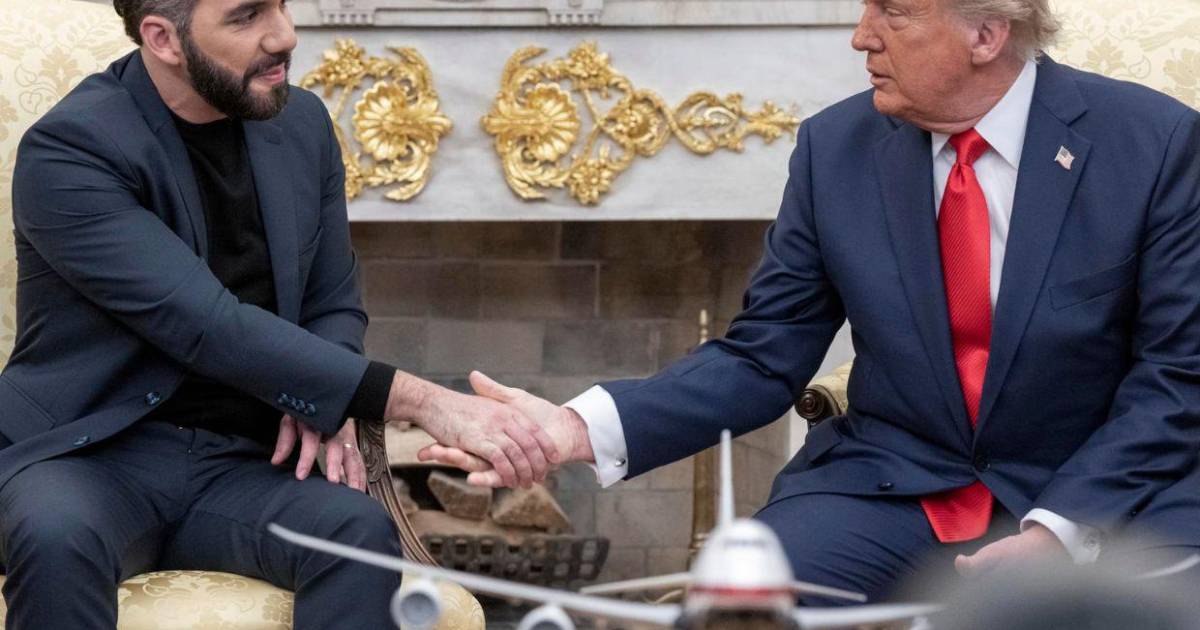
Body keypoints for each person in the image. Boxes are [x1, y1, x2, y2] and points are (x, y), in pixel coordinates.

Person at [424, 0, 1200, 604]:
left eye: (894, 12)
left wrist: (1059, 532)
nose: (862, 36)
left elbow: (1177, 377)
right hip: (895, 486)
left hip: (1101, 491)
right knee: (744, 602)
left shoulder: (1154, 146)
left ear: (986, 34)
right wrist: (572, 429)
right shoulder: (836, 150)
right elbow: (762, 357)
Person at [0, 0, 559, 627]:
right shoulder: (71, 149)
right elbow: (205, 323)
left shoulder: (302, 122)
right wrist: (426, 402)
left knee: (355, 532)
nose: (284, 35)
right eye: (246, 17)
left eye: (282, 4)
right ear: (163, 39)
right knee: (55, 534)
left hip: (245, 464)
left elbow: (331, 299)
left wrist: (325, 399)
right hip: (90, 456)